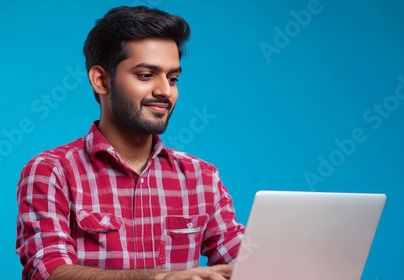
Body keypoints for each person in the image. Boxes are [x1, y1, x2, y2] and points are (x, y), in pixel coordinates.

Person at [16, 5, 244, 280]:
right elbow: (48, 270)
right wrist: (159, 278)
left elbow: (243, 262)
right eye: (146, 75)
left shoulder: (201, 177)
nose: (165, 91)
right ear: (101, 80)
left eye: (173, 78)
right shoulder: (52, 171)